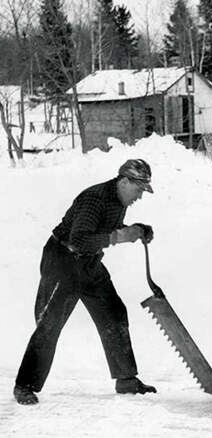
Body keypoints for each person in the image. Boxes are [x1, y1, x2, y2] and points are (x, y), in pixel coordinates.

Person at [13, 159, 157, 405]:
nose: (139, 197)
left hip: (89, 263)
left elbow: (104, 230)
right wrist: (120, 236)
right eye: (138, 190)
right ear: (124, 181)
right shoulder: (95, 198)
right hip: (62, 260)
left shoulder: (118, 200)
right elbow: (79, 239)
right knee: (50, 323)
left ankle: (125, 378)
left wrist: (137, 229)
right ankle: (24, 386)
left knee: (114, 312)